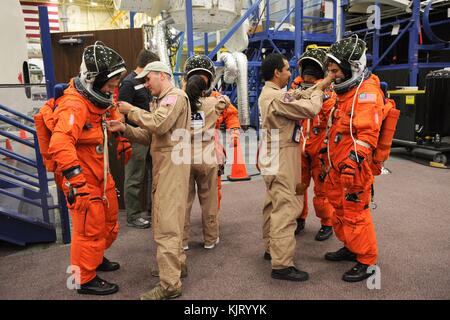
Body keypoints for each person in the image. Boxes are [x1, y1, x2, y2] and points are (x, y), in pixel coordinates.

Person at [48, 42, 130, 295]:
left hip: (100, 175)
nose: (113, 89)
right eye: (110, 84)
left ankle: (94, 260)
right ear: (93, 80)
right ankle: (82, 279)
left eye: (115, 83)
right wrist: (76, 181)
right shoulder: (74, 105)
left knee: (109, 222)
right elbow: (60, 143)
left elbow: (112, 115)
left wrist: (124, 140)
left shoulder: (100, 101)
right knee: (87, 230)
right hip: (82, 179)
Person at [108, 61, 191, 300]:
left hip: (171, 170)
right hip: (167, 169)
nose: (145, 85)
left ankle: (170, 285)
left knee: (166, 227)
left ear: (161, 76)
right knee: (171, 222)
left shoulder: (174, 97)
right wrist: (123, 128)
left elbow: (158, 124)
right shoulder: (164, 100)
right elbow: (151, 136)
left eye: (148, 79)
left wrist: (130, 110)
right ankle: (177, 267)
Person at [258, 53, 333, 281]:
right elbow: (310, 109)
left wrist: (325, 81)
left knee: (273, 202)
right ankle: (282, 265)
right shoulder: (277, 99)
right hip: (282, 154)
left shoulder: (272, 94)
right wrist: (321, 93)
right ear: (277, 73)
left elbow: (299, 94)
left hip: (272, 152)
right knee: (287, 207)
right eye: (287, 69)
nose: (291, 74)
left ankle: (272, 248)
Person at [322, 36, 384, 282]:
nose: (332, 75)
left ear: (352, 68)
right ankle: (351, 247)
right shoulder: (345, 92)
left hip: (354, 168)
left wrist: (352, 162)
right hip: (337, 165)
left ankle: (367, 260)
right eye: (330, 70)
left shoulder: (366, 93)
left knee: (356, 214)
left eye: (335, 70)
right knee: (339, 210)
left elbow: (368, 133)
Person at [181, 55, 230, 251]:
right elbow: (225, 102)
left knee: (183, 203)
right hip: (207, 157)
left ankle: (183, 241)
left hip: (182, 157)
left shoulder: (179, 103)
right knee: (209, 201)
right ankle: (210, 238)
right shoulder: (214, 104)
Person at [293, 48, 336, 241]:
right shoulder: (295, 91)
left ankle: (327, 223)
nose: (308, 76)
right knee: (299, 187)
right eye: (306, 73)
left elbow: (331, 121)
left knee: (322, 191)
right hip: (300, 147)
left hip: (320, 149)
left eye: (312, 73)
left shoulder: (328, 94)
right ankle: (299, 218)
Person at [119, 49, 159, 229]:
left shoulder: (146, 81)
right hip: (135, 135)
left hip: (151, 134)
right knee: (135, 176)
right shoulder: (128, 83)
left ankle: (152, 210)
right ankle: (133, 215)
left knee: (153, 174)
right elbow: (121, 110)